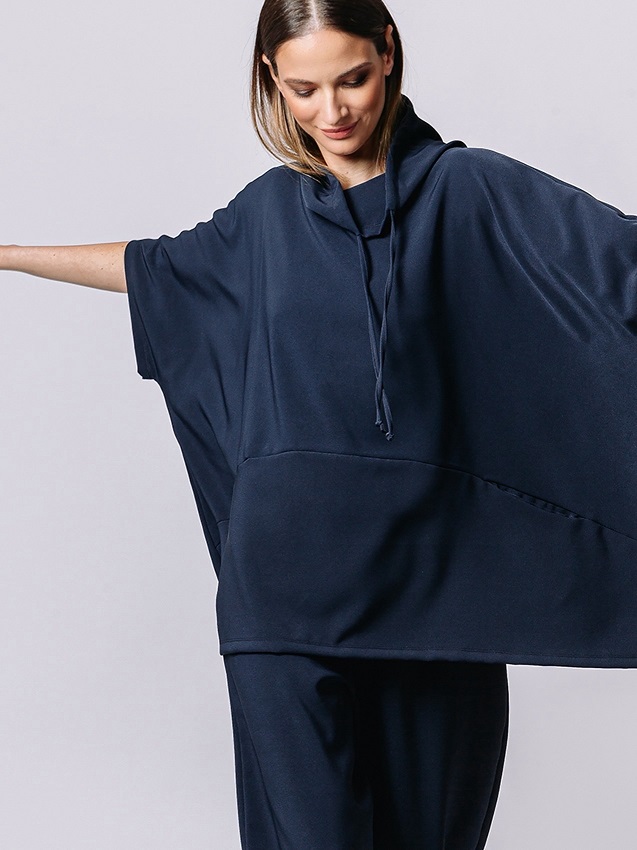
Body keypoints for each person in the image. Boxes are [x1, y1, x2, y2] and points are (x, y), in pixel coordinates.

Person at [2, 0, 636, 847]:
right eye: (303, 89)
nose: (331, 111)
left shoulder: (471, 190)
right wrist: (7, 254)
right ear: (271, 77)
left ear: (388, 54)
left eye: (352, 79)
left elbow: (620, 267)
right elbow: (157, 268)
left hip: (440, 600)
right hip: (282, 605)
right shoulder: (265, 215)